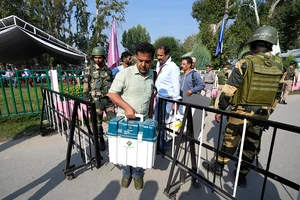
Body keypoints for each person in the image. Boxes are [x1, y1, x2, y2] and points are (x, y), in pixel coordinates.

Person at [202, 26, 285, 188]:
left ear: (253, 45)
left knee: (230, 140)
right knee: (251, 145)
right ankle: (242, 175)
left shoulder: (245, 62)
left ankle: (218, 167)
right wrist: (268, 112)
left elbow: (228, 90)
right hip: (262, 114)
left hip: (241, 113)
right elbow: (277, 94)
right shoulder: (279, 66)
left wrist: (219, 110)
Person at [108, 42, 156, 190]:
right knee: (126, 150)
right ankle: (126, 173)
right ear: (136, 58)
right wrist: (127, 107)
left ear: (152, 60)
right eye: (140, 60)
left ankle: (137, 175)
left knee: (140, 151)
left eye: (147, 61)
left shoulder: (152, 75)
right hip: (126, 122)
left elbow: (151, 95)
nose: (143, 64)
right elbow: (112, 93)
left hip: (143, 121)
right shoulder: (124, 74)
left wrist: (150, 111)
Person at [82, 46, 115, 151]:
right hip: (97, 101)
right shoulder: (89, 70)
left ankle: (114, 140)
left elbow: (113, 84)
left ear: (103, 58)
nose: (97, 60)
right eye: (95, 57)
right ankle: (101, 140)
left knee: (113, 120)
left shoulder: (109, 70)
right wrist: (86, 96)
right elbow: (86, 83)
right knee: (98, 123)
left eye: (100, 57)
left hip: (109, 101)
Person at [154, 44, 181, 149]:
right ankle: (158, 142)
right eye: (158, 55)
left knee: (164, 122)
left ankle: (162, 144)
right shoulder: (159, 64)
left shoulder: (173, 67)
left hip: (168, 99)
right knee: (157, 121)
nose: (159, 57)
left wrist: (175, 102)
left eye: (161, 55)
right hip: (159, 97)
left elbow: (176, 85)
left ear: (167, 55)